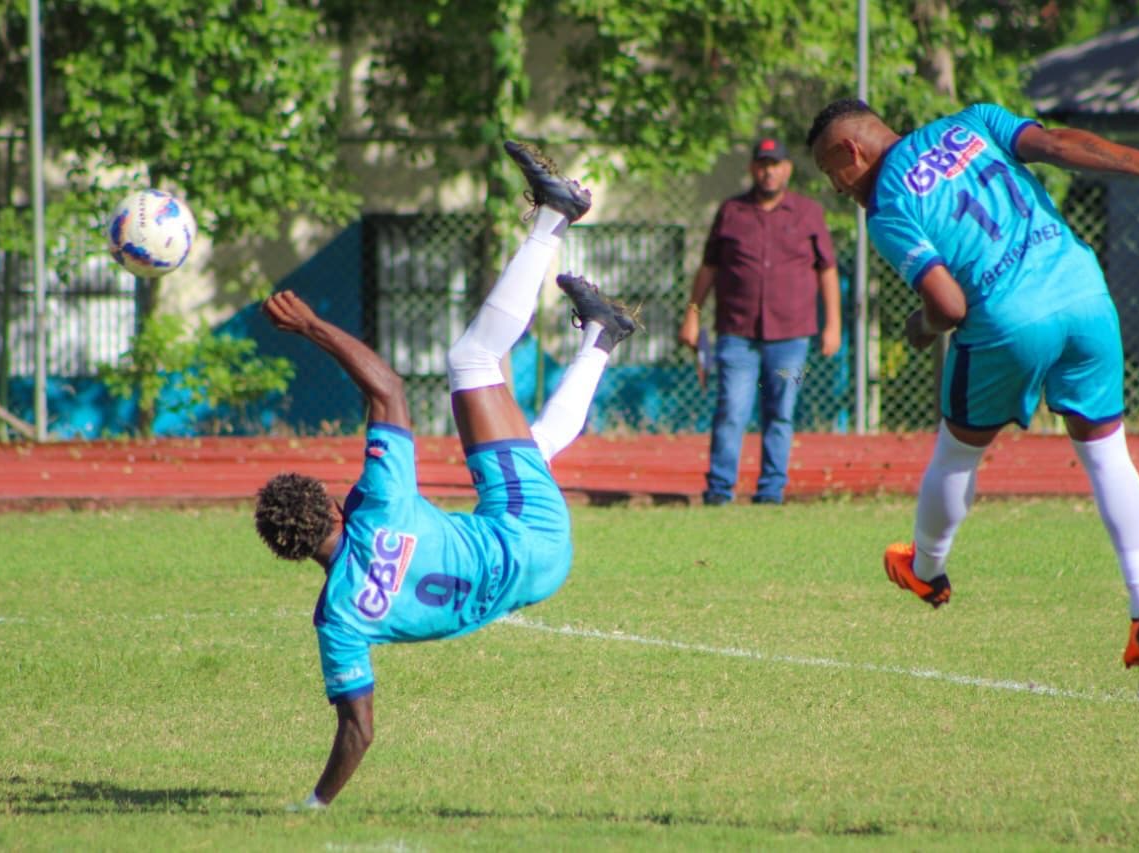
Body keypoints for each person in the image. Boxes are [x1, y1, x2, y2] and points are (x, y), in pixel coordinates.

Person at [254, 140, 637, 809]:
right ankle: (554, 215)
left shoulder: (338, 619)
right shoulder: (378, 505)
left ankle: (602, 336)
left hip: (536, 575)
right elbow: (389, 389)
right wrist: (311, 325)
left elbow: (359, 730)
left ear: (288, 552)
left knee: (530, 450)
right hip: (525, 530)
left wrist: (315, 804)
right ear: (333, 506)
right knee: (471, 362)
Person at [805, 98, 1139, 668]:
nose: (837, 187)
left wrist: (921, 326)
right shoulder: (974, 120)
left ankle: (926, 570)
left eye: (831, 171)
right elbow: (1060, 145)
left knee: (956, 453)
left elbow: (949, 305)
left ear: (852, 149)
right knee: (1107, 455)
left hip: (1008, 319)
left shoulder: (889, 204)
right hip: (1083, 292)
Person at [677, 136, 843, 506]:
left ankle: (771, 491)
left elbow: (827, 271)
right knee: (731, 411)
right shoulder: (731, 212)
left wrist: (833, 325)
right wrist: (692, 316)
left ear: (787, 169)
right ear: (753, 168)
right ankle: (719, 490)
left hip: (792, 337)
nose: (769, 172)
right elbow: (708, 269)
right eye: (763, 164)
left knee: (780, 413)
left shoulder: (808, 212)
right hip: (737, 335)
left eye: (776, 165)